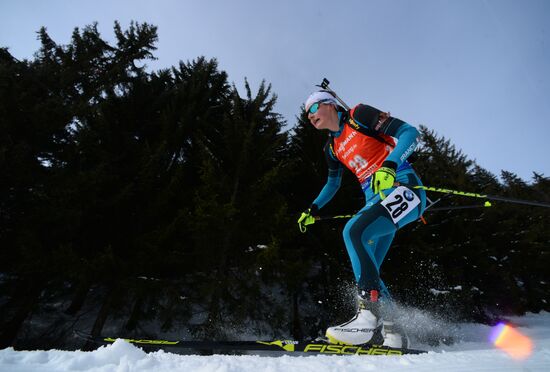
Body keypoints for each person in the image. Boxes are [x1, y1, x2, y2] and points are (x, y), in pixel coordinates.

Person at [297, 90, 426, 348]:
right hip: (375, 202)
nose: (310, 116)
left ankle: (368, 316)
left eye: (313, 109)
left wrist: (389, 165)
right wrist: (313, 208)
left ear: (330, 104)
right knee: (369, 270)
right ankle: (395, 332)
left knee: (353, 232)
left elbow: (410, 133)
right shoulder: (331, 148)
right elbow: (332, 184)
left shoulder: (359, 115)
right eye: (306, 113)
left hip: (404, 189)